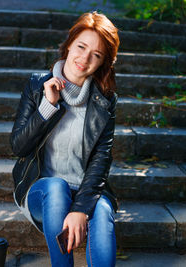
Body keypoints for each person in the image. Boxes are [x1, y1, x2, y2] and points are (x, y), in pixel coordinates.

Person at [10, 11, 120, 267]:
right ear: (69, 44)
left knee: (102, 211)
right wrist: (48, 106)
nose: (84, 58)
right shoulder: (38, 86)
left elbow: (101, 159)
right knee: (56, 187)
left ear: (103, 62)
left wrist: (81, 208)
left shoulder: (105, 101)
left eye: (97, 54)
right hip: (41, 190)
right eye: (81, 46)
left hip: (85, 189)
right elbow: (19, 146)